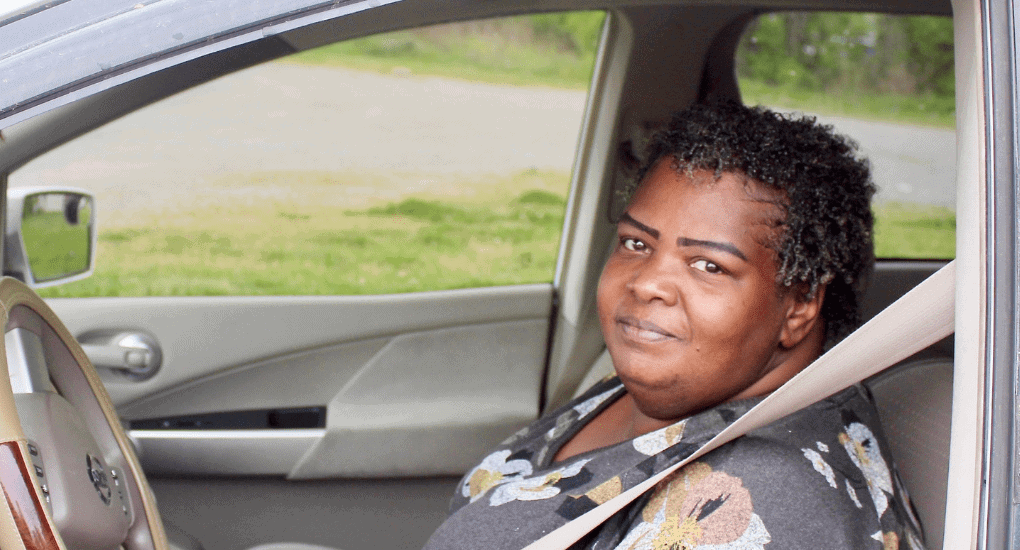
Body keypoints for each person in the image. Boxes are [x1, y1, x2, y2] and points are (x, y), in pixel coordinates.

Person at [423, 101, 925, 550]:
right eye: (636, 244)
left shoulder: (757, 503)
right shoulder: (665, 380)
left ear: (798, 307)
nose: (647, 284)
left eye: (709, 265)